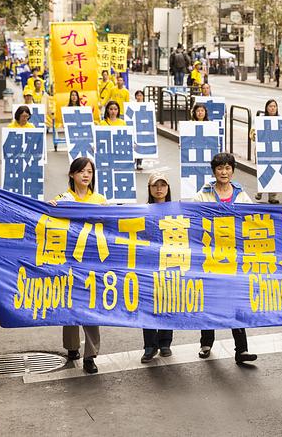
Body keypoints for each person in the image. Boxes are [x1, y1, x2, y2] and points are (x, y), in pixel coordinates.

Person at [193, 152, 257, 364]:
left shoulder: (241, 194)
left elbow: (254, 217)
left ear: (233, 171)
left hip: (234, 257)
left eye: (228, 168)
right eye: (220, 168)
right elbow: (193, 217)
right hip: (210, 256)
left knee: (235, 300)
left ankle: (242, 350)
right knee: (210, 298)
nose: (224, 172)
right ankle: (206, 342)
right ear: (214, 171)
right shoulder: (203, 194)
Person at [48, 157, 106, 373]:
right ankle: (72, 347)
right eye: (81, 171)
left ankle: (91, 355)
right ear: (72, 174)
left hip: (92, 261)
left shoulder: (100, 200)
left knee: (91, 306)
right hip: (69, 261)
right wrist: (49, 208)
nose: (86, 175)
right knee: (70, 302)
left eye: (89, 171)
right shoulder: (62, 199)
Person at [141, 172, 175, 362]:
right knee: (148, 303)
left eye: (163, 185)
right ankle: (149, 345)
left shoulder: (177, 210)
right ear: (149, 188)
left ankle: (165, 343)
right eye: (155, 185)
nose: (159, 189)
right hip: (147, 265)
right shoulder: (143, 210)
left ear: (168, 188)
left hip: (170, 263)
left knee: (167, 301)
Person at [254, 99, 280, 204]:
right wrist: (255, 134)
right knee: (264, 170)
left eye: (274, 106)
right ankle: (260, 190)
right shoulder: (261, 120)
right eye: (270, 106)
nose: (273, 108)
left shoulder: (281, 120)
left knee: (275, 171)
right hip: (263, 149)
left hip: (275, 149)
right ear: (266, 108)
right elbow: (253, 133)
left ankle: (272, 196)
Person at [134, 90, 145, 170]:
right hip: (134, 128)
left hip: (142, 129)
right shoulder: (132, 106)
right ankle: (134, 161)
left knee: (141, 145)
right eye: (137, 95)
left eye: (140, 95)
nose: (139, 97)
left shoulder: (146, 106)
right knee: (134, 145)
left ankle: (139, 163)